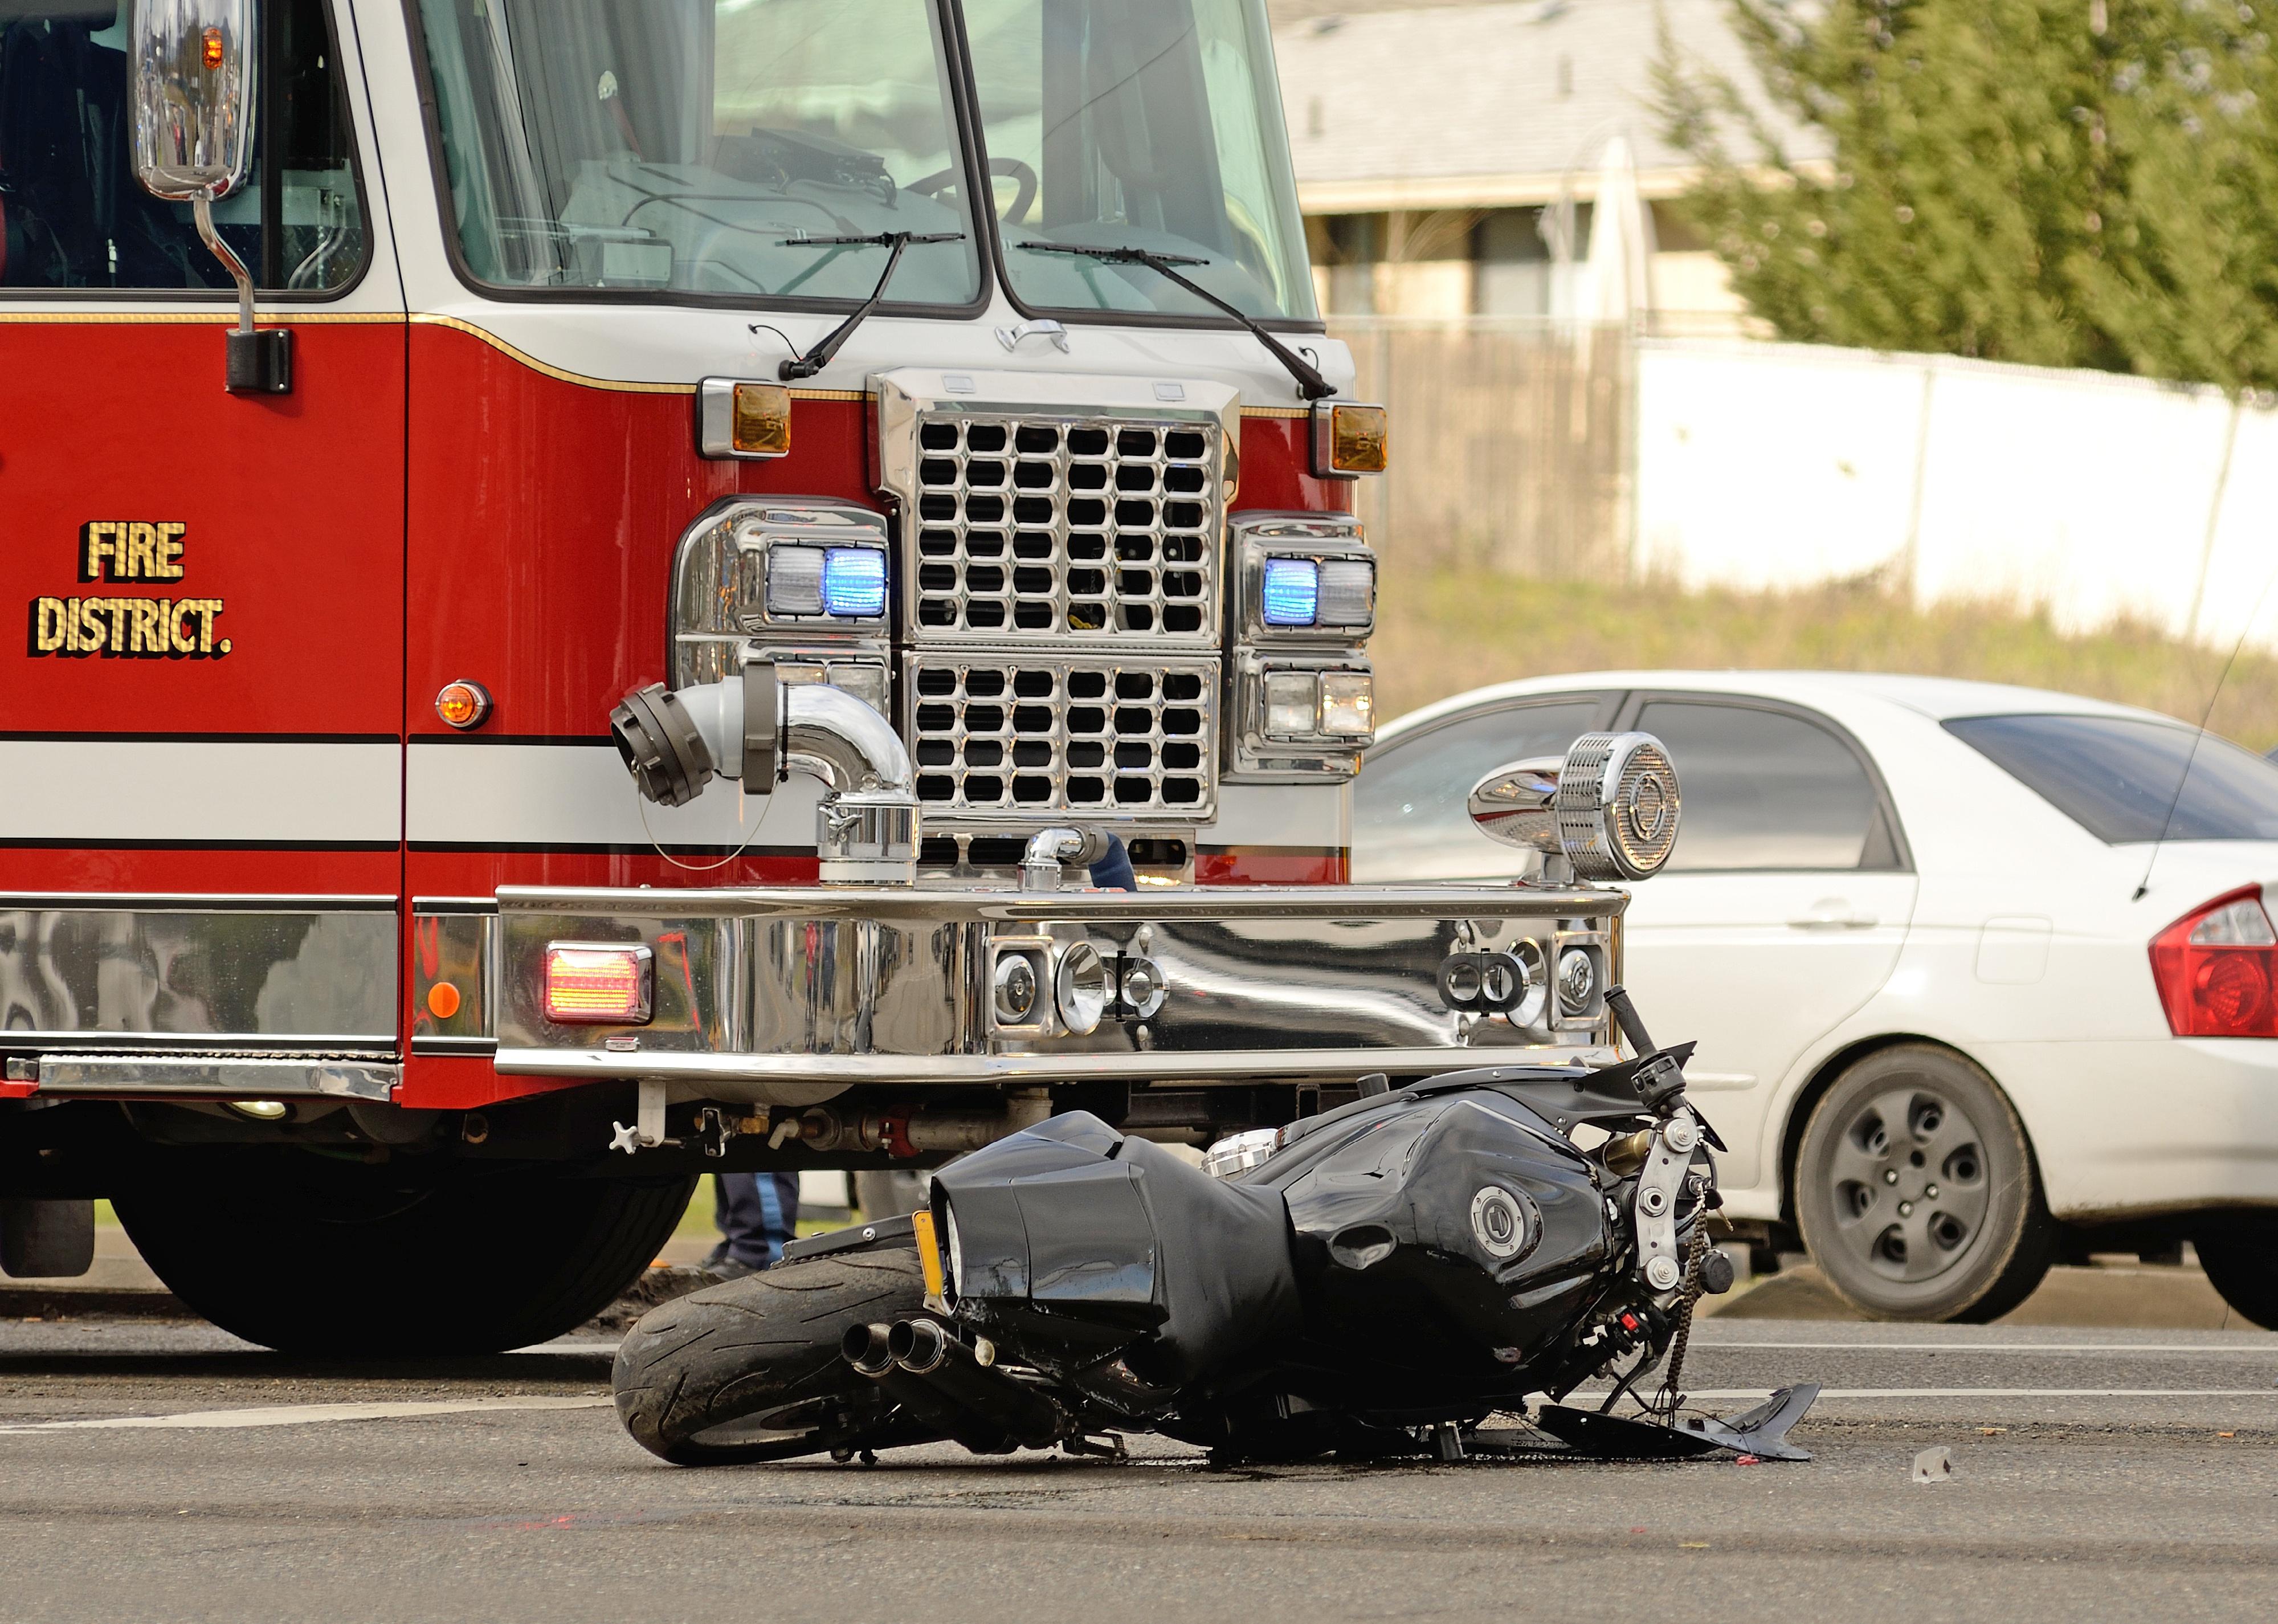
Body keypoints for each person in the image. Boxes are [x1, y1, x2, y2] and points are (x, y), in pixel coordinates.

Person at [703, 1172, 798, 1279]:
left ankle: (760, 1253)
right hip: (734, 1247)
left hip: (760, 1259)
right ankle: (736, 1250)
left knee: (754, 1160)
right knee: (723, 1161)